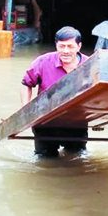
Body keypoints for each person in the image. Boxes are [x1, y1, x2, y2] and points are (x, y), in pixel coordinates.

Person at [21, 26, 90, 157]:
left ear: (79, 47)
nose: (66, 51)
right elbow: (26, 84)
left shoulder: (90, 64)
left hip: (77, 123)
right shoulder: (43, 62)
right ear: (56, 45)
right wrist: (26, 110)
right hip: (45, 122)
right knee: (44, 158)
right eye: (62, 46)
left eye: (70, 47)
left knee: (77, 157)